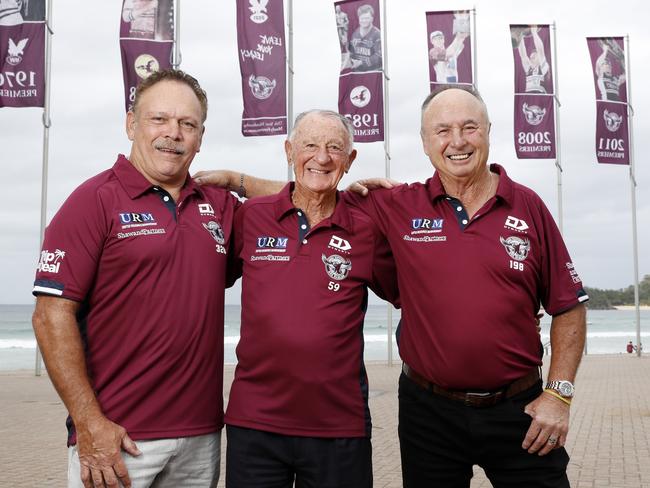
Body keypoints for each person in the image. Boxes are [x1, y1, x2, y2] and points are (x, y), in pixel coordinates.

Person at [198, 85, 588, 487]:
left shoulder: (528, 206)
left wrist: (558, 396)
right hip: (429, 412)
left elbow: (569, 305)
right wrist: (236, 180)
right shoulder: (400, 204)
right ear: (424, 141)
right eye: (441, 130)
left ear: (488, 131)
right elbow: (311, 190)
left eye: (468, 127)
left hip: (519, 409)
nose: (456, 141)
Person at [32, 69, 237, 488]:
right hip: (118, 439)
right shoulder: (94, 200)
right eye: (158, 119)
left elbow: (308, 198)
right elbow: (50, 316)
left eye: (187, 124)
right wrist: (89, 424)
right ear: (131, 123)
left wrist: (241, 181)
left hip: (201, 436)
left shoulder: (219, 205)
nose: (173, 134)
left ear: (201, 137)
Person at [223, 110, 398, 488]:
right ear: (289, 151)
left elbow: (416, 295)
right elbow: (198, 282)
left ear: (349, 161)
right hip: (255, 425)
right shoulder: (250, 217)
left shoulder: (368, 229)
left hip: (339, 426)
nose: (322, 157)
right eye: (310, 146)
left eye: (335, 148)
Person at [348, 4, 382, 72]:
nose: (364, 21)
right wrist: (351, 60)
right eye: (362, 18)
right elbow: (352, 51)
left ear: (372, 18)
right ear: (359, 19)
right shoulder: (355, 33)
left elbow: (379, 56)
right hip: (357, 71)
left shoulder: (377, 34)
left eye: (367, 18)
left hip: (373, 73)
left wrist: (361, 62)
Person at [516, 26, 550, 94]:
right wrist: (520, 37)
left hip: (541, 99)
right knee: (524, 57)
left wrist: (534, 32)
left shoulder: (543, 68)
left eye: (535, 54)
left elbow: (540, 51)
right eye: (531, 56)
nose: (532, 56)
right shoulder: (529, 69)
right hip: (529, 98)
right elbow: (523, 55)